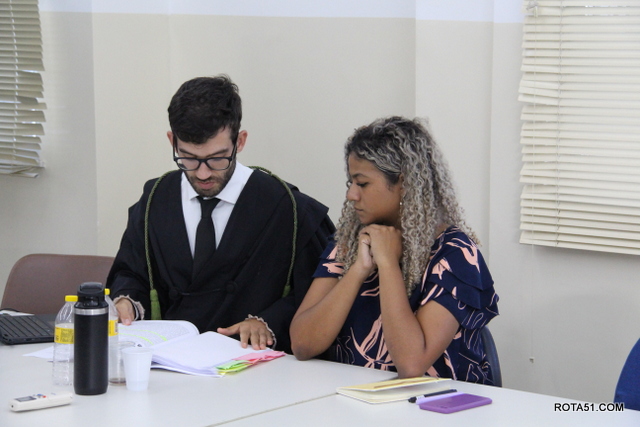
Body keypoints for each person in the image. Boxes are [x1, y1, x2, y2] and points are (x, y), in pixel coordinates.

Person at [107, 75, 335, 353]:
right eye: (188, 158)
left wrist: (268, 321)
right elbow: (132, 272)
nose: (203, 173)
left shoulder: (290, 210)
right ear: (172, 141)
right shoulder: (156, 199)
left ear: (240, 141)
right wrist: (128, 302)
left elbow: (321, 296)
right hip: (167, 362)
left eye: (217, 158)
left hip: (254, 365)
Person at [290, 116, 499, 383]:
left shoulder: (455, 255)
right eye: (350, 183)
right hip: (352, 397)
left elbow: (411, 365)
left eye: (362, 183)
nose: (351, 195)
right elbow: (303, 344)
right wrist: (358, 270)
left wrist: (388, 264)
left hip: (435, 403)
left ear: (404, 184)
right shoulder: (349, 240)